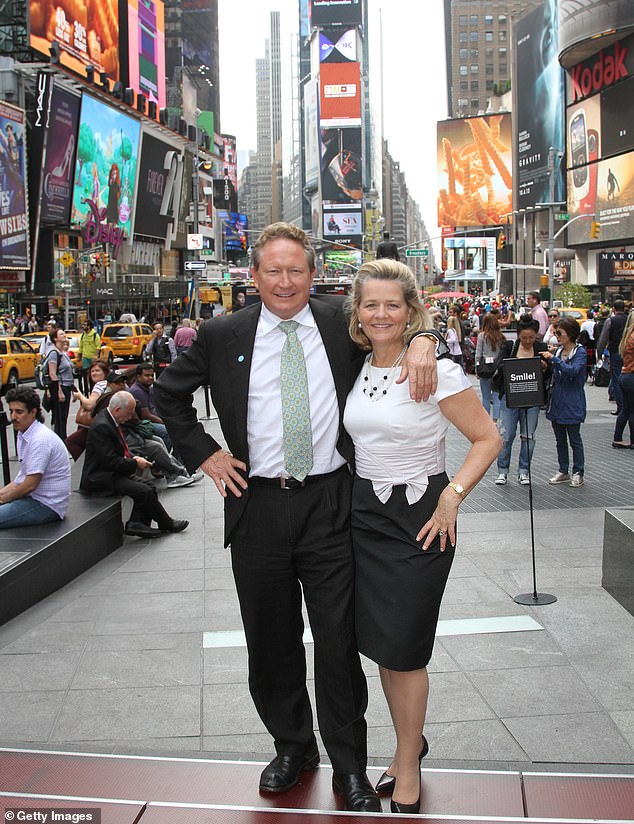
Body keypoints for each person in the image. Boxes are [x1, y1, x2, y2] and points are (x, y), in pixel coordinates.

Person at [153, 221, 446, 813]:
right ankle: (292, 746)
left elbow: (397, 314)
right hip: (255, 503)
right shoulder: (220, 332)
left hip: (331, 502)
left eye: (296, 270)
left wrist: (425, 339)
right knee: (270, 637)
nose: (285, 281)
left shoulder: (342, 322)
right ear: (253, 275)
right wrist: (205, 454)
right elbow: (167, 394)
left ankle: (349, 764)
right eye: (272, 270)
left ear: (313, 275)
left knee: (338, 639)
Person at [342, 260, 500, 813]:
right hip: (363, 518)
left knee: (405, 648)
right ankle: (409, 742)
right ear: (357, 314)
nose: (381, 314)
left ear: (410, 310)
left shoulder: (438, 372)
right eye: (371, 305)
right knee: (385, 646)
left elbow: (487, 438)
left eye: (393, 304)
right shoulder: (356, 365)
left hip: (420, 521)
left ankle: (407, 760)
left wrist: (453, 494)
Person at [80, 391, 189, 538]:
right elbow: (109, 461)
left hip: (112, 472)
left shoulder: (110, 420)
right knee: (143, 491)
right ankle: (165, 523)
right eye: (129, 412)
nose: (130, 416)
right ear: (117, 410)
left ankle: (138, 524)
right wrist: (135, 463)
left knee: (149, 487)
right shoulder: (102, 426)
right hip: (100, 477)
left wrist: (133, 460)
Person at [0, 388, 70, 527]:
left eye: (19, 412)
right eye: (11, 411)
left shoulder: (40, 439)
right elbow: (21, 479)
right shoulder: (24, 434)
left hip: (46, 505)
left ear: (33, 412)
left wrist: (4, 498)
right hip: (35, 499)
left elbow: (29, 485)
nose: (13, 416)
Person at [495, 316, 551, 486]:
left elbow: (549, 375)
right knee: (506, 435)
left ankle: (524, 471)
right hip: (510, 397)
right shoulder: (510, 347)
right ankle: (502, 471)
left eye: (531, 338)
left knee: (528, 436)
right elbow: (499, 366)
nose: (527, 341)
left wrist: (545, 367)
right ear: (518, 335)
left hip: (532, 398)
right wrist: (511, 365)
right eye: (524, 337)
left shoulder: (541, 348)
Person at [543, 317, 587, 487]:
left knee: (574, 439)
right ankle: (563, 470)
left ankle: (578, 472)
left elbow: (573, 371)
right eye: (555, 332)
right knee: (560, 439)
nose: (556, 336)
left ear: (570, 334)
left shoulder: (579, 352)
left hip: (572, 400)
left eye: (559, 333)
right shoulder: (559, 351)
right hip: (557, 400)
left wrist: (554, 360)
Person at [66, 359, 110, 461]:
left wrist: (79, 396)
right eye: (92, 371)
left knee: (71, 441)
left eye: (97, 371)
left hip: (97, 425)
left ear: (105, 372)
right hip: (103, 423)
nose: (94, 373)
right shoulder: (107, 384)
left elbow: (90, 405)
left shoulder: (100, 385)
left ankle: (86, 463)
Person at [596, 300, 628, 416]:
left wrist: (599, 354)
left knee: (616, 379)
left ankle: (621, 407)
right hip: (628, 352)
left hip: (615, 352)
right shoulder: (629, 320)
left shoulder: (611, 321)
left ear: (613, 309)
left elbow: (603, 339)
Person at [45, 328, 75, 442]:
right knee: (59, 417)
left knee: (64, 416)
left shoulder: (63, 352)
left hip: (67, 386)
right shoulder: (54, 353)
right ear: (55, 338)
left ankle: (63, 438)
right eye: (61, 334)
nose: (64, 335)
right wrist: (59, 391)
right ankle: (59, 440)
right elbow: (52, 373)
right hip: (60, 387)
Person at [475, 313, 506, 422]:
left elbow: (478, 354)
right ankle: (496, 419)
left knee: (486, 397)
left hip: (485, 368)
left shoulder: (482, 336)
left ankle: (486, 420)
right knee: (497, 396)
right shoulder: (501, 337)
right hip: (497, 368)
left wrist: (477, 369)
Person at [612, 310, 634, 449]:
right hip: (631, 375)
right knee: (632, 411)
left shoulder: (627, 336)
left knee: (626, 410)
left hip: (625, 375)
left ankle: (617, 437)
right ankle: (633, 440)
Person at [78, 319, 101, 393]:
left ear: (89, 326)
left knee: (93, 372)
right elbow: (81, 346)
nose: (83, 326)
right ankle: (87, 386)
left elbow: (98, 346)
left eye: (85, 325)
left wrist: (96, 356)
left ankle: (94, 386)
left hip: (92, 357)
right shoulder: (83, 335)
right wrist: (79, 356)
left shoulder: (95, 335)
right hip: (85, 357)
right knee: (86, 373)